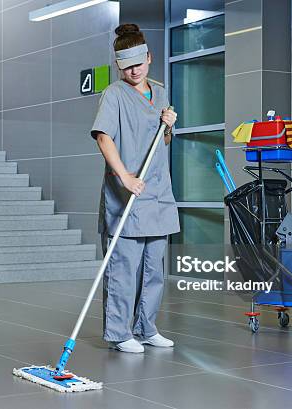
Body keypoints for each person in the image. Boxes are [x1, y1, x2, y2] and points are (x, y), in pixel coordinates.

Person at [91, 24, 180, 353]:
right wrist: (125, 177)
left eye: (138, 64)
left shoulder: (161, 91)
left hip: (158, 193)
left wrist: (168, 126)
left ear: (149, 58)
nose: (133, 70)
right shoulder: (113, 95)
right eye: (127, 66)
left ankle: (146, 327)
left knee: (154, 268)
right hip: (126, 193)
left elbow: (164, 142)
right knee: (124, 268)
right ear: (119, 66)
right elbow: (104, 137)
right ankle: (118, 333)